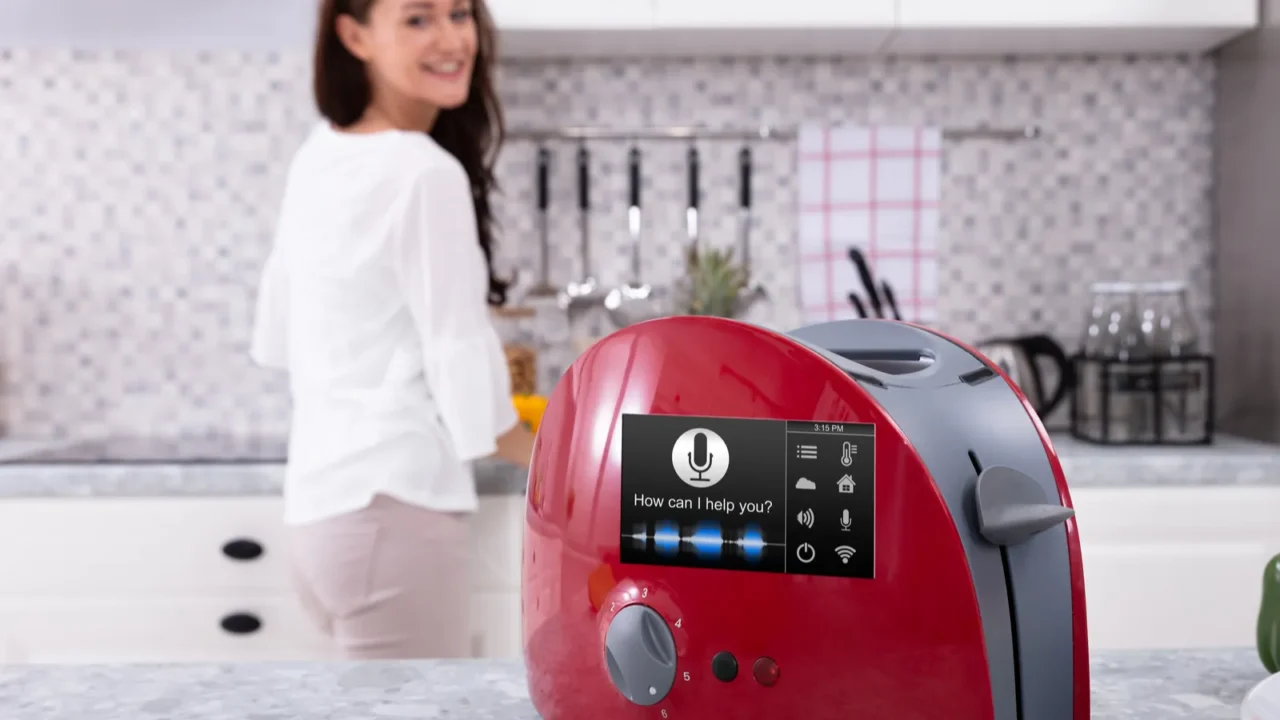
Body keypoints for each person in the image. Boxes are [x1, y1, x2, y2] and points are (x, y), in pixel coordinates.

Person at [248, 0, 535, 660]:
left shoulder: (319, 153)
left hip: (323, 518)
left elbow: (278, 336)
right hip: (393, 519)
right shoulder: (422, 172)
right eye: (417, 19)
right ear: (354, 35)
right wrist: (549, 452)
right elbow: (459, 355)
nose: (450, 38)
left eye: (459, 13)